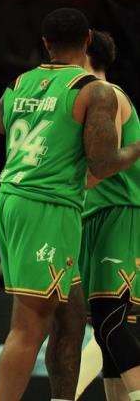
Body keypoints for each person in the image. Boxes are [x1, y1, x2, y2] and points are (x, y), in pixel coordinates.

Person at [0, 8, 140, 401]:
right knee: (29, 326)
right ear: (87, 39)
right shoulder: (94, 90)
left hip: (13, 199)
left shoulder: (17, 84)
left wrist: (24, 177)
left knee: (72, 316)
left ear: (45, 42)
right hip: (48, 206)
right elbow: (103, 165)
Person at [77, 29, 140, 401]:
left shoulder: (108, 94)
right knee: (105, 330)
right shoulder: (91, 98)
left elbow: (106, 163)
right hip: (97, 215)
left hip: (119, 213)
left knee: (110, 321)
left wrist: (57, 188)